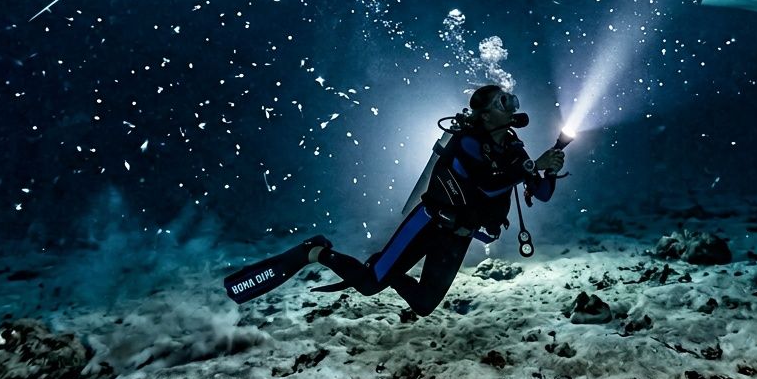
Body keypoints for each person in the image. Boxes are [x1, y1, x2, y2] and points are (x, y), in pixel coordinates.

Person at [223, 85, 566, 316]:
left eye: (513, 102)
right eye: (504, 103)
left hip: (459, 235)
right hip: (429, 222)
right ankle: (317, 251)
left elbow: (542, 192)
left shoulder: (513, 149)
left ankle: (381, 265)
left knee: (423, 305)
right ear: (486, 114)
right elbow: (486, 186)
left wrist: (547, 171)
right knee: (371, 286)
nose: (513, 108)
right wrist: (533, 167)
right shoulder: (466, 142)